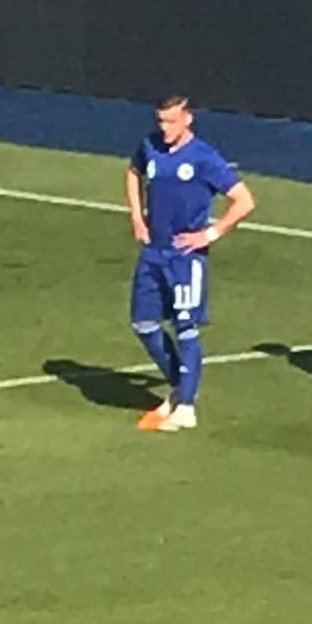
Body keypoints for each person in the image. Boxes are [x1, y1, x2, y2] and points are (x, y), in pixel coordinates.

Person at [125, 95, 256, 433]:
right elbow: (132, 171)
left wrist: (210, 234)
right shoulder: (150, 146)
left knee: (185, 327)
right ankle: (179, 387)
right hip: (153, 252)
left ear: (187, 119)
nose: (164, 129)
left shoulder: (204, 157)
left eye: (170, 121)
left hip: (185, 257)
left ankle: (186, 406)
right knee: (144, 324)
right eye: (160, 122)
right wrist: (137, 217)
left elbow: (244, 201)